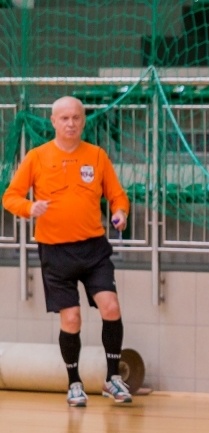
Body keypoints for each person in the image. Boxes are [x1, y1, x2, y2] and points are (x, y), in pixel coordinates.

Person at [2, 96, 132, 407]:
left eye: (76, 118)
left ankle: (113, 378)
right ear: (53, 122)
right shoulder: (37, 157)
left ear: (83, 121)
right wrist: (31, 207)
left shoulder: (97, 156)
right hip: (55, 251)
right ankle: (74, 382)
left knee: (110, 306)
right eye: (64, 118)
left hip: (94, 248)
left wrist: (121, 213)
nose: (71, 123)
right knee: (71, 318)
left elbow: (118, 196)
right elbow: (10, 197)